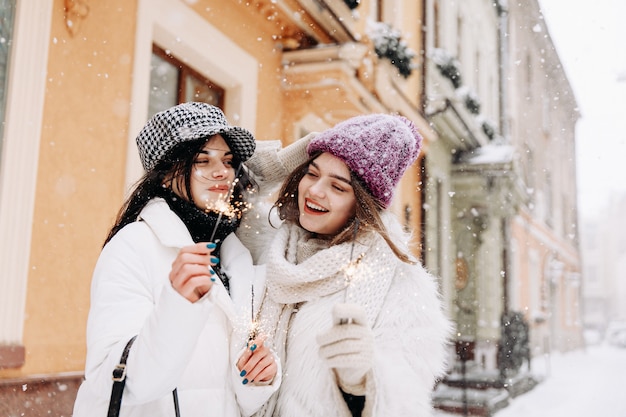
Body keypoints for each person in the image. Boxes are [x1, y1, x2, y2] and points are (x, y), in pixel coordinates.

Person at [72, 102, 280, 417]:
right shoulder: (132, 246)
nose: (222, 172)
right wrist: (178, 305)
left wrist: (258, 378)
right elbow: (118, 380)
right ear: (166, 175)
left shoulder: (236, 257)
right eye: (202, 160)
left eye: (227, 160)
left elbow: (230, 396)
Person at [249, 114, 452, 417]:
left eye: (338, 187)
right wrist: (284, 160)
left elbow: (408, 402)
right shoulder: (270, 243)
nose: (315, 191)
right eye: (312, 173)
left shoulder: (402, 283)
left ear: (362, 204)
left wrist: (362, 379)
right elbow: (222, 185)